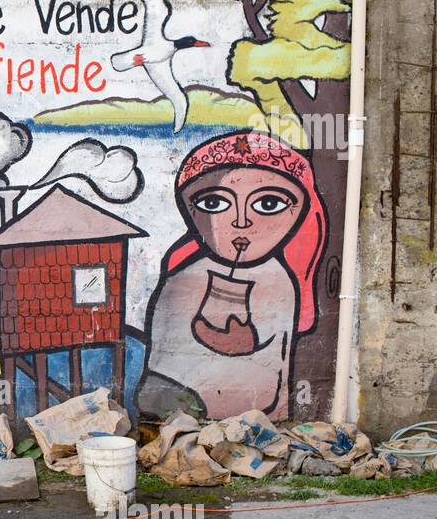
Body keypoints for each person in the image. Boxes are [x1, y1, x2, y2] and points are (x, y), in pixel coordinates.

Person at [136, 131, 325, 420]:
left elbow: (269, 345)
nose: (241, 221)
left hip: (255, 408)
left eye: (268, 204)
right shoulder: (186, 269)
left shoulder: (278, 280)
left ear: (299, 212)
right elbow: (164, 338)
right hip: (182, 391)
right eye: (214, 204)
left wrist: (245, 341)